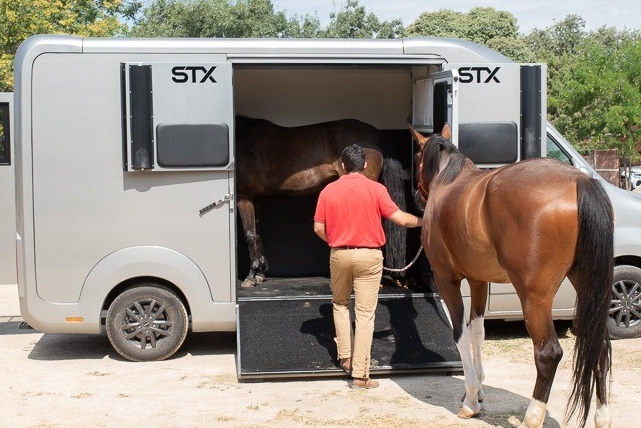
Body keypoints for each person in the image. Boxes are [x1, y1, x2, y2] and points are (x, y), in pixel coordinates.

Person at [313, 144, 422, 389]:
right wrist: (426, 220)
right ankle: (361, 375)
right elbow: (401, 219)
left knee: (340, 305)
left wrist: (335, 241)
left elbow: (318, 228)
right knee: (365, 315)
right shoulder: (376, 189)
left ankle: (346, 358)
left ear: (342, 166)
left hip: (340, 254)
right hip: (369, 256)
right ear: (364, 165)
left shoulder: (328, 191)